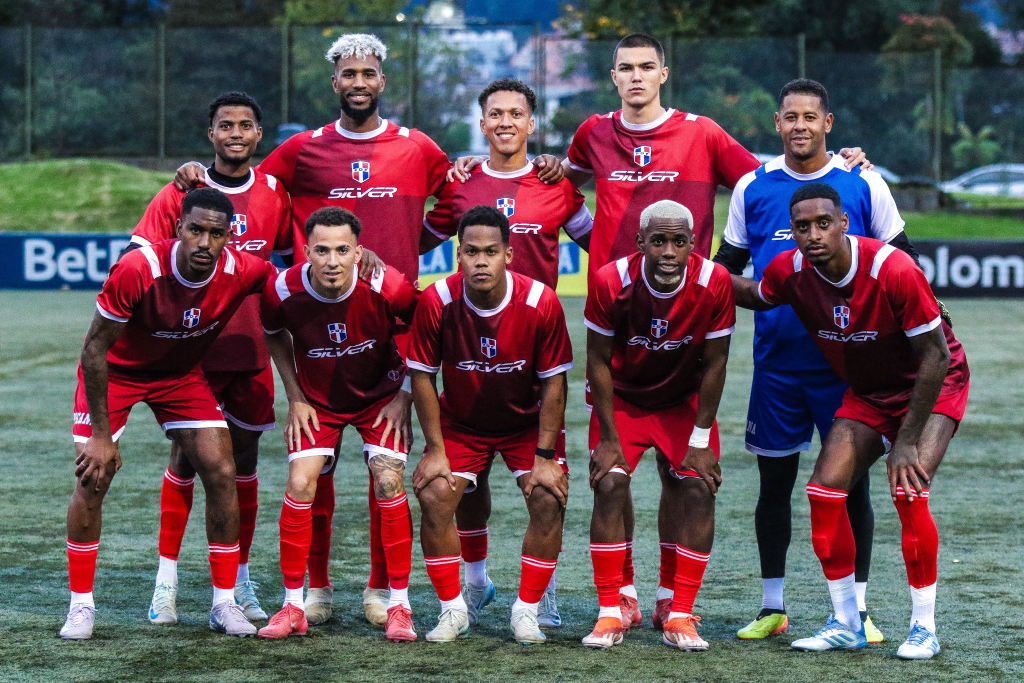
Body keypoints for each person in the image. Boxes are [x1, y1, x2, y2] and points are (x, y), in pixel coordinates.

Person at [449, 33, 867, 623]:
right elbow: (555, 181)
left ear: (663, 73)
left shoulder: (702, 133)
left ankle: (676, 600)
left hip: (685, 327)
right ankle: (619, 593)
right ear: (613, 76)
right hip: (617, 328)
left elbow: (774, 178)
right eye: (626, 68)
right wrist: (471, 165)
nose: (636, 77)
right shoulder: (592, 132)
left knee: (685, 476)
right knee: (610, 476)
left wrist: (839, 160)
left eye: (647, 67)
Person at [172, 32, 449, 627]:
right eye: (348, 74)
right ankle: (314, 590)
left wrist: (400, 251)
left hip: (385, 326)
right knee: (314, 472)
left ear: (382, 80)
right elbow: (243, 190)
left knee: (386, 469)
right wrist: (196, 177)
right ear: (335, 83)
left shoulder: (417, 147)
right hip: (317, 328)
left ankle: (382, 591)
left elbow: (455, 202)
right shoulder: (302, 150)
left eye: (368, 73)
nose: (358, 83)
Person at [713, 79, 922, 642]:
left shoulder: (862, 181)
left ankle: (858, 609)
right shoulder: (752, 187)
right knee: (773, 485)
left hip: (850, 368)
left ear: (828, 123)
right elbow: (724, 266)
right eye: (790, 117)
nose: (800, 125)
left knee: (851, 489)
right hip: (777, 365)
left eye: (811, 116)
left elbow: (904, 262)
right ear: (777, 124)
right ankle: (772, 606)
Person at [732, 182, 969, 659]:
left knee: (908, 490)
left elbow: (936, 357)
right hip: (870, 393)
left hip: (933, 381)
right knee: (823, 490)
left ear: (844, 223)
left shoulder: (892, 268)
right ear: (792, 232)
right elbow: (757, 295)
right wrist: (692, 270)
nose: (814, 234)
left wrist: (904, 443)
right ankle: (846, 622)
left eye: (823, 223)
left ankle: (924, 628)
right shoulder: (791, 269)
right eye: (802, 227)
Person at [61, 188, 277, 640]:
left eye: (216, 234)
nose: (204, 242)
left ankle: (223, 602)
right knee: (93, 475)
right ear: (179, 228)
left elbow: (298, 287)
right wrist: (102, 437)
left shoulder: (245, 270)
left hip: (178, 375)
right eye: (195, 230)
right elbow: (94, 349)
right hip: (117, 372)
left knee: (222, 469)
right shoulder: (140, 268)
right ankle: (81, 606)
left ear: (229, 236)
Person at [421, 77, 593, 628]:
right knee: (465, 488)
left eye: (516, 114)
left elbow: (601, 240)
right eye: (495, 113)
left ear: (532, 124)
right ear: (482, 122)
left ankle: (538, 594)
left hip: (533, 353)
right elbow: (416, 237)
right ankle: (473, 585)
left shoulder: (556, 184)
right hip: (471, 349)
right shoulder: (460, 185)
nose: (505, 123)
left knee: (546, 489)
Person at [128, 91, 292, 626]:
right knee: (185, 461)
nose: (236, 134)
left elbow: (289, 267)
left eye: (246, 125)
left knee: (242, 466)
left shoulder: (274, 194)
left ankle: (239, 580)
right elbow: (139, 264)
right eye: (226, 126)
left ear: (259, 135)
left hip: (249, 351)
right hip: (189, 355)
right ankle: (166, 582)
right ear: (211, 134)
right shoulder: (182, 191)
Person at [407, 205, 573, 644]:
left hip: (526, 426)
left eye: (491, 252)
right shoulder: (436, 300)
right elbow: (422, 376)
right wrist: (436, 450)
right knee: (435, 493)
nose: (481, 261)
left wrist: (544, 457)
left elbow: (556, 384)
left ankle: (527, 610)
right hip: (462, 423)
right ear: (457, 255)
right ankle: (454, 609)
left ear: (509, 255)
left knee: (547, 495)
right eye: (472, 252)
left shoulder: (541, 301)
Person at [257, 207, 420, 642]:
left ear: (358, 252)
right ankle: (296, 603)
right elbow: (273, 331)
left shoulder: (389, 285)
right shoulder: (282, 289)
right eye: (322, 250)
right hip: (318, 402)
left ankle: (398, 603)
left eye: (342, 250)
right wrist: (293, 397)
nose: (332, 260)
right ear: (306, 251)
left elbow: (420, 329)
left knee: (388, 481)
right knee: (300, 483)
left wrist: (404, 394)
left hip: (381, 397)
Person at [583, 199, 734, 651]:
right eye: (659, 240)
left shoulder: (714, 281)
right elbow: (597, 359)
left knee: (696, 486)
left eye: (679, 241)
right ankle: (614, 606)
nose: (669, 250)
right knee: (609, 483)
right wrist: (609, 437)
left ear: (693, 244)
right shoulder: (610, 280)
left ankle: (677, 609)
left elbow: (717, 362)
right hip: (624, 399)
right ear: (640, 243)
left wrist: (702, 439)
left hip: (681, 401)